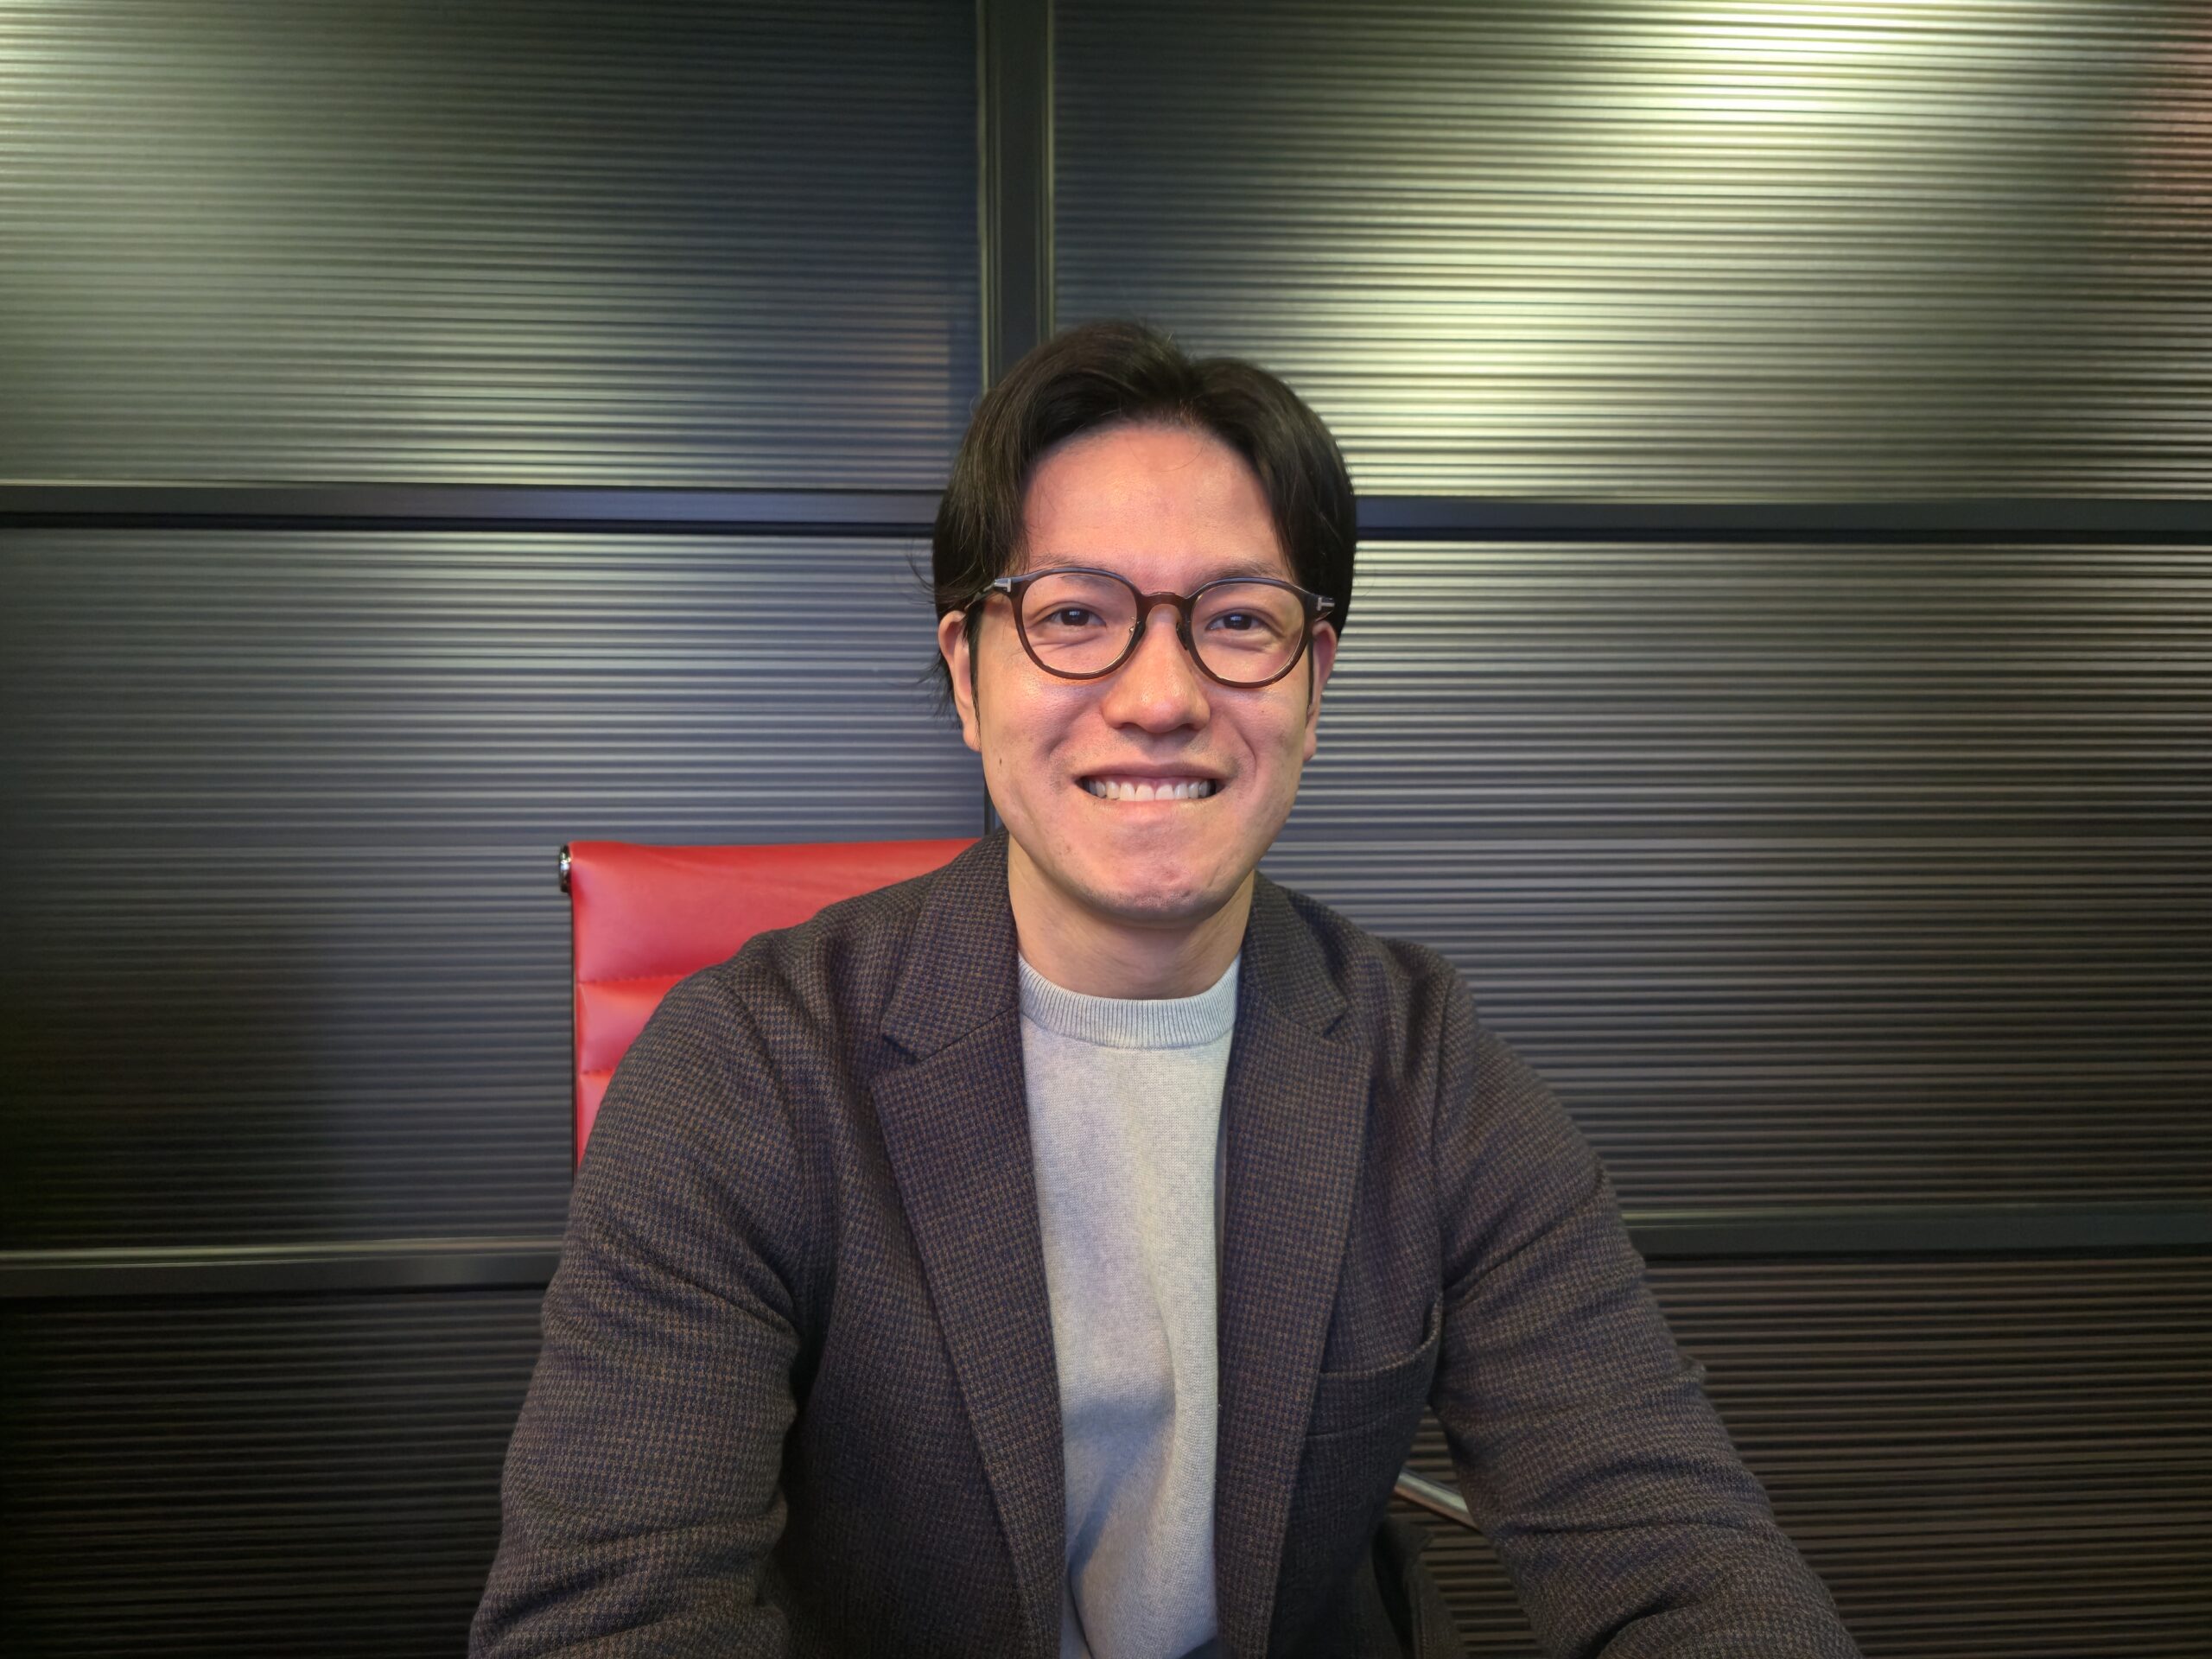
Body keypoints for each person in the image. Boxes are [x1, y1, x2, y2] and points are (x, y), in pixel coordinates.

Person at [473, 321, 1860, 1658]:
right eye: (1075, 615)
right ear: (969, 678)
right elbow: (611, 1614)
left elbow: (1678, 1549)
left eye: (1239, 620)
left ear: (1313, 684)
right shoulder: (745, 1068)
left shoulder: (1423, 1067)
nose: (1159, 697)